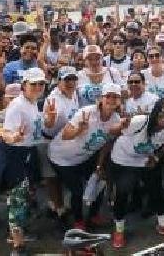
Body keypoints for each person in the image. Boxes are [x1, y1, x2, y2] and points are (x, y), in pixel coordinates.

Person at [50, 84, 127, 230]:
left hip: (85, 156)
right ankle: (78, 221)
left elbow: (106, 144)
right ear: (101, 99)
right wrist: (79, 129)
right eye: (108, 96)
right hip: (62, 157)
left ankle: (93, 215)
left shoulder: (116, 119)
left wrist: (99, 166)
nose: (111, 99)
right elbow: (66, 135)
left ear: (119, 100)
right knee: (77, 190)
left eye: (115, 97)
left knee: (99, 180)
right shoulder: (86, 112)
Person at [108, 98, 164, 248]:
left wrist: (155, 157)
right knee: (123, 192)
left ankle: (163, 224)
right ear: (157, 109)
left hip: (143, 160)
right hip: (123, 159)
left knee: (157, 190)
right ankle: (119, 229)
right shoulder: (140, 121)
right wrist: (121, 124)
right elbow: (113, 132)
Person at [0, 67, 57, 255]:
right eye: (34, 84)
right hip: (15, 156)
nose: (38, 87)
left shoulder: (33, 103)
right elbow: (7, 134)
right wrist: (15, 137)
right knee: (17, 199)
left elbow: (40, 127)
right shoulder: (17, 105)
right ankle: (17, 245)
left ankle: (19, 233)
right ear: (24, 85)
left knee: (24, 197)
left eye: (41, 84)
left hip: (27, 153)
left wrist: (49, 118)